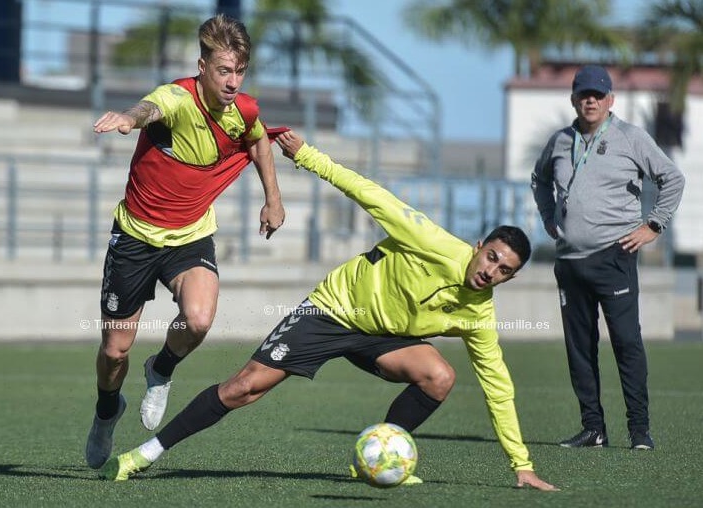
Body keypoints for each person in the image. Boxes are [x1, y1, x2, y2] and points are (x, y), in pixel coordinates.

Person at [99, 130, 558, 491]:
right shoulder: (434, 243)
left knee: (440, 377)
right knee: (244, 388)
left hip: (383, 336)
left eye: (504, 270)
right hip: (333, 311)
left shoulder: (479, 313)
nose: (491, 270)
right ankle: (145, 455)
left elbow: (498, 386)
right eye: (492, 257)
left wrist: (522, 464)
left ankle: (374, 455)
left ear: (509, 279)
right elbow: (368, 192)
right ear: (480, 248)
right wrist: (307, 156)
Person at [85, 14, 286, 469]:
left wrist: (273, 198)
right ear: (202, 66)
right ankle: (105, 411)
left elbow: (258, 141)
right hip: (135, 237)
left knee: (197, 319)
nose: (233, 82)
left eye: (239, 72)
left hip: (189, 236)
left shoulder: (244, 110)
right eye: (223, 71)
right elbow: (148, 109)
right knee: (115, 351)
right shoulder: (176, 97)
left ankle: (161, 370)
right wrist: (128, 118)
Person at [531, 64, 685, 450]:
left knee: (626, 343)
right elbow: (539, 179)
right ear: (574, 100)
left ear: (610, 100)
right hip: (569, 263)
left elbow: (672, 179)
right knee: (579, 349)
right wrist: (549, 217)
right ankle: (593, 428)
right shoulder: (560, 140)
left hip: (614, 257)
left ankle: (639, 431)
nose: (591, 101)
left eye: (598, 95)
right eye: (584, 95)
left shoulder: (631, 138)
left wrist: (654, 226)